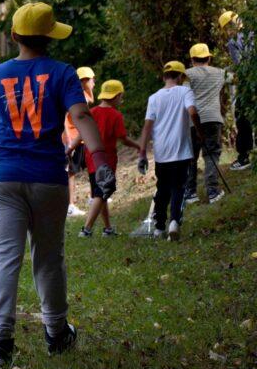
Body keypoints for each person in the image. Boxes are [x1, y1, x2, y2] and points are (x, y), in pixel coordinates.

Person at [0, 2, 114, 368]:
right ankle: (56, 333)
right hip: (48, 179)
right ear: (50, 36)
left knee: (3, 257)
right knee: (49, 258)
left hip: (2, 178)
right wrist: (99, 161)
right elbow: (81, 115)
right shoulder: (63, 73)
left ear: (15, 36)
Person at [138, 61, 203, 241]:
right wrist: (200, 132)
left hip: (161, 153)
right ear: (180, 76)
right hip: (181, 151)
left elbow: (147, 128)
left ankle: (159, 227)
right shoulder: (185, 91)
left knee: (162, 189)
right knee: (179, 188)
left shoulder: (154, 98)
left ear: (164, 76)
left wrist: (142, 153)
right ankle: (174, 222)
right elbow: (193, 112)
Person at [74, 80, 140, 237]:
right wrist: (138, 146)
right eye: (121, 97)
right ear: (116, 96)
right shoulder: (116, 115)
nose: (121, 100)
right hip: (106, 161)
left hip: (91, 160)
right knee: (100, 194)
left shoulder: (93, 112)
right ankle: (86, 229)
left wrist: (70, 147)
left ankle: (108, 228)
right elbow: (123, 139)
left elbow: (82, 133)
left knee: (100, 193)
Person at [184, 44, 225, 204]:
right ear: (209, 57)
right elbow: (234, 78)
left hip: (192, 121)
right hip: (213, 119)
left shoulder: (187, 75)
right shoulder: (220, 73)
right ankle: (213, 192)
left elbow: (184, 95)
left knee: (190, 157)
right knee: (212, 154)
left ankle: (190, 192)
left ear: (192, 59)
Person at [220, 11, 254, 170]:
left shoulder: (233, 42)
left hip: (248, 85)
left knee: (242, 118)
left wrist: (227, 73)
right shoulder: (252, 33)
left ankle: (243, 157)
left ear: (229, 26)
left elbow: (241, 66)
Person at [64, 66, 96, 217]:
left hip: (81, 138)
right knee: (71, 172)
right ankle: (70, 205)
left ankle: (93, 197)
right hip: (73, 138)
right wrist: (69, 138)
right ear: (83, 81)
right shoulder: (74, 96)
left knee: (91, 165)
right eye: (92, 79)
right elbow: (64, 116)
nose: (94, 82)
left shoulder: (85, 95)